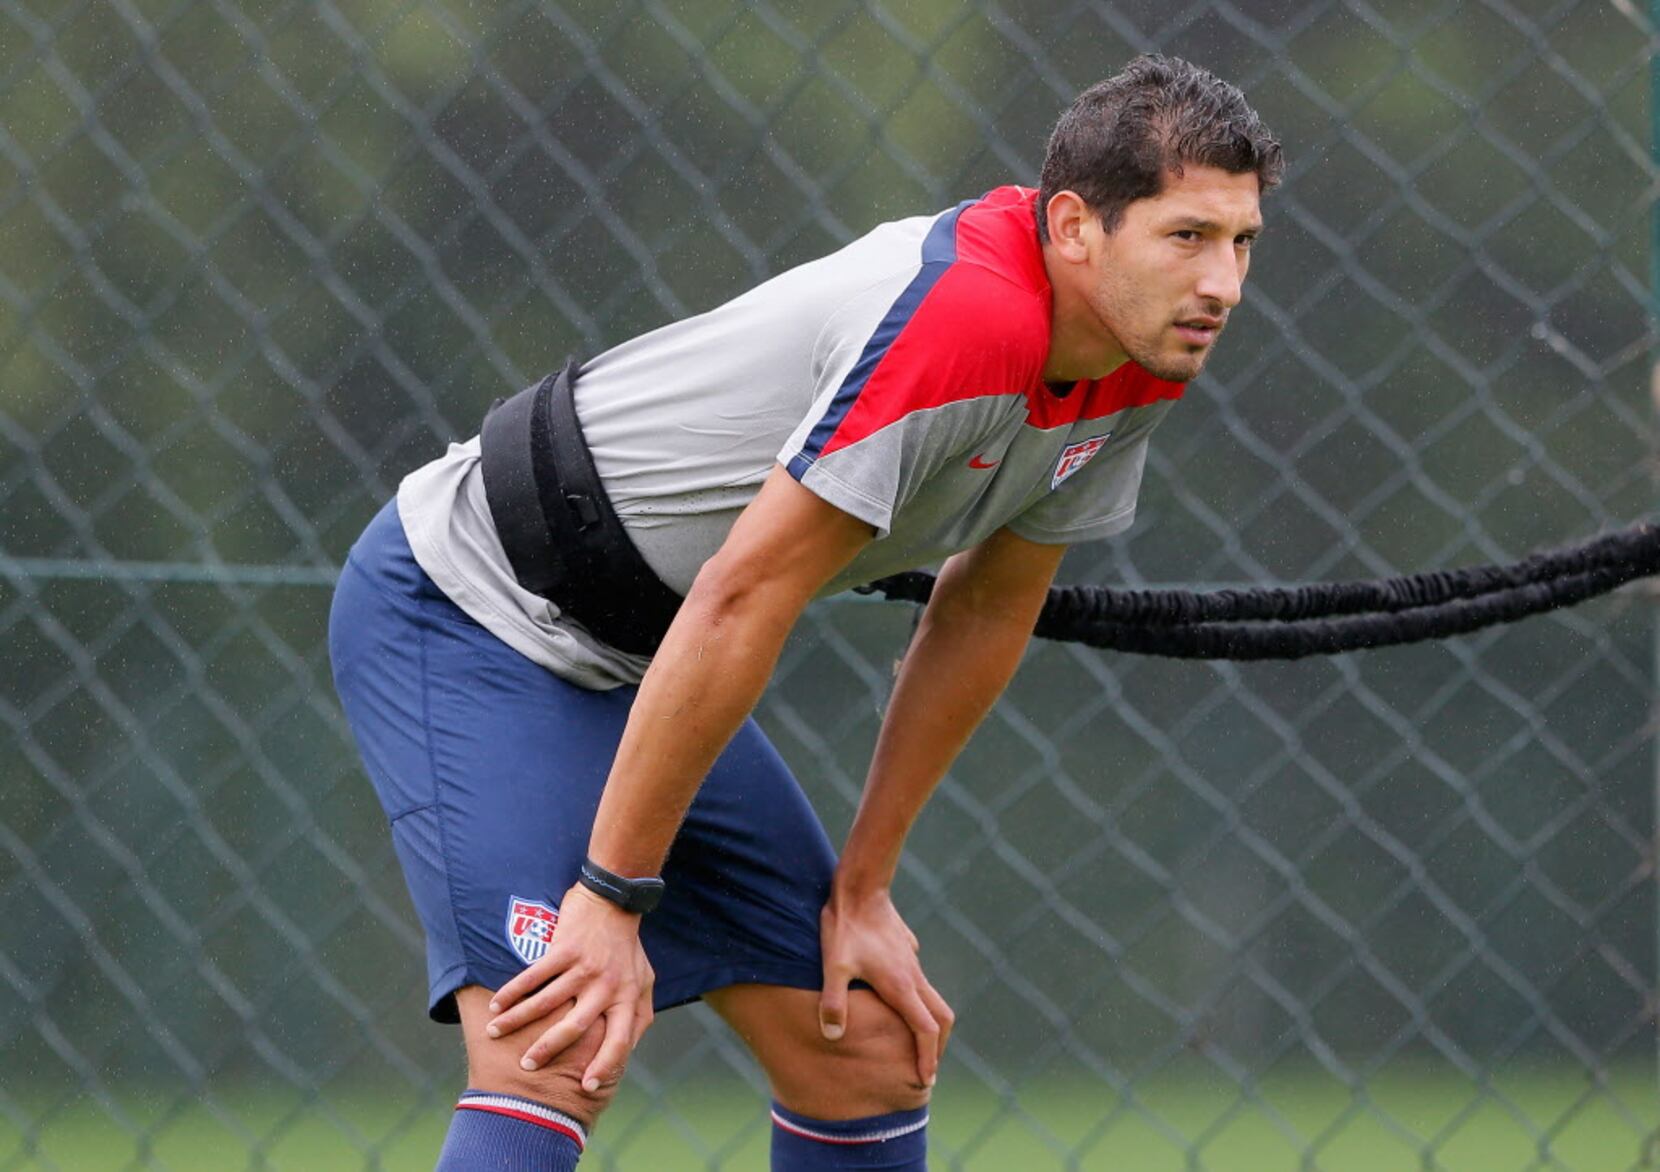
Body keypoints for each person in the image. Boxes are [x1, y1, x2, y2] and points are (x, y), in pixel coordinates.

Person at [329, 53, 1281, 1171]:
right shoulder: (964, 321)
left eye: (1242, 242)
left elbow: (980, 613)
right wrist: (609, 894)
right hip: (468, 602)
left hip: (641, 653)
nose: (1221, 282)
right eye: (1186, 236)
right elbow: (740, 596)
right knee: (557, 1042)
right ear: (1073, 227)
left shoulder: (1137, 355)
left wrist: (864, 888)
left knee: (864, 1040)